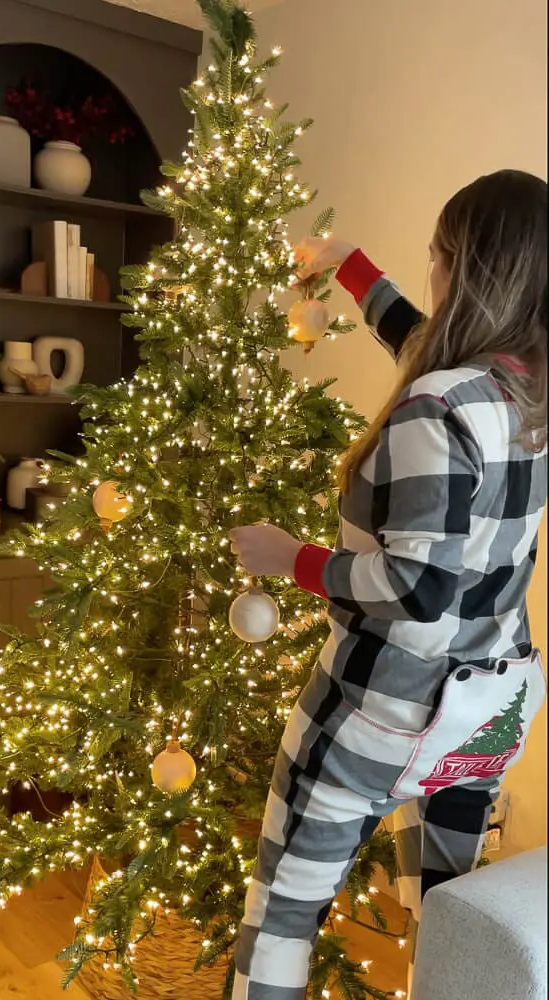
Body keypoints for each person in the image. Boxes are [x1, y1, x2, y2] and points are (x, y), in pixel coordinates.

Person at [230, 169, 548, 1000]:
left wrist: (286, 557)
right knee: (449, 915)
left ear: (465, 270)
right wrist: (346, 263)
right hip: (483, 714)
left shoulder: (434, 413)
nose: (431, 276)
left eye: (438, 258)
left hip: (380, 716)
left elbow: (414, 590)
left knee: (282, 917)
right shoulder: (526, 393)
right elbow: (422, 340)